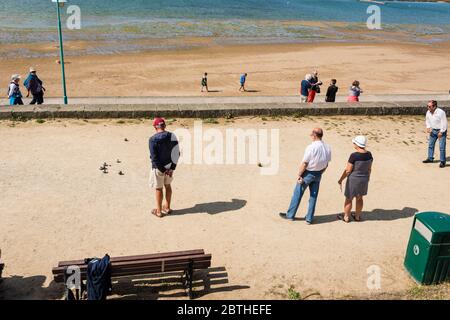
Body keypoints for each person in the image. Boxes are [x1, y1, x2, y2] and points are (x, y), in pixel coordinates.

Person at [279, 128, 332, 224]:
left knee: (297, 193)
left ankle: (290, 215)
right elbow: (326, 164)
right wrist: (320, 172)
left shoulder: (311, 147)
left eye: (311, 133)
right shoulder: (327, 147)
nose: (310, 135)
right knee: (313, 196)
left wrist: (299, 175)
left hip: (307, 173)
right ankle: (309, 218)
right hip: (318, 174)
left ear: (315, 135)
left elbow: (305, 163)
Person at [149, 118, 180, 218]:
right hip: (170, 166)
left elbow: (154, 158)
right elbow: (177, 153)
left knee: (158, 188)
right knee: (168, 186)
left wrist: (163, 170)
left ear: (155, 127)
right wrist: (171, 168)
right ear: (165, 126)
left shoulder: (152, 139)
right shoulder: (172, 136)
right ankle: (167, 207)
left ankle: (158, 211)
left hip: (159, 168)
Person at [337, 136, 373, 223]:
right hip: (364, 179)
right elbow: (369, 169)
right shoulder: (369, 154)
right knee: (360, 198)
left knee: (349, 198)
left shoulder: (354, 156)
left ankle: (346, 217)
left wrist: (340, 179)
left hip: (354, 180)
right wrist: (367, 178)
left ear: (357, 144)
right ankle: (357, 216)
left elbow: (348, 170)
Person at [423, 100, 448, 168]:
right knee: (430, 145)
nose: (428, 107)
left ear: (434, 106)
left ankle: (442, 162)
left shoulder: (441, 112)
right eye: (427, 106)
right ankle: (430, 158)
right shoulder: (428, 112)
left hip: (441, 131)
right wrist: (428, 127)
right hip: (433, 131)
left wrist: (441, 132)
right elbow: (427, 120)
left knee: (442, 147)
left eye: (430, 106)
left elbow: (444, 123)